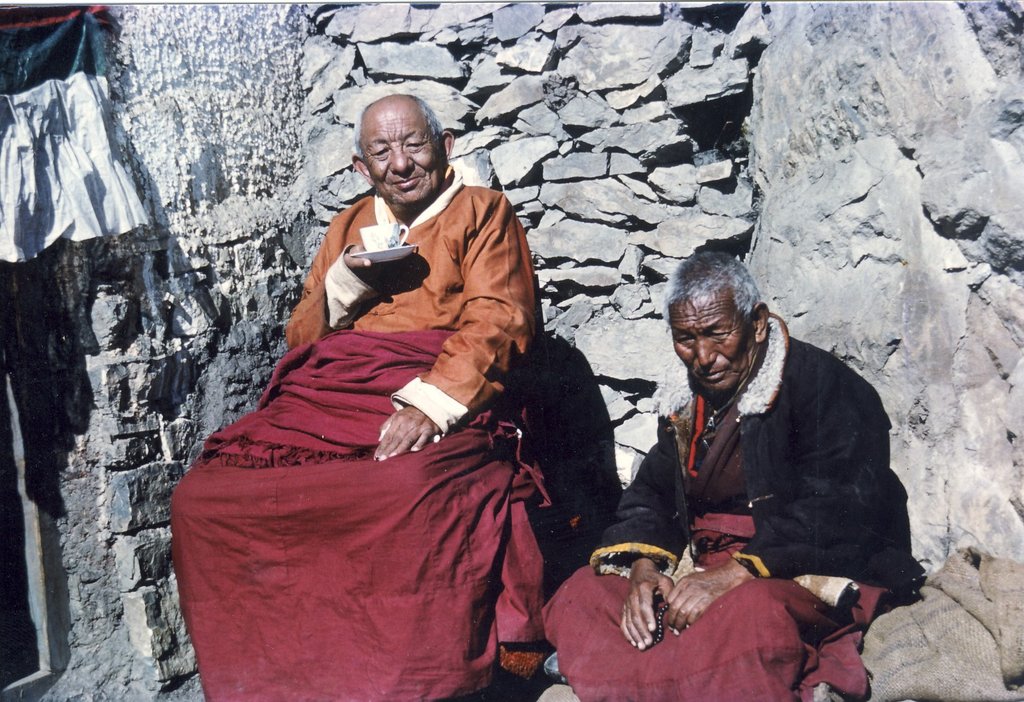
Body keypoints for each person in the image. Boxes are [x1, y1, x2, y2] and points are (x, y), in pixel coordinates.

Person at [171, 94, 545, 701]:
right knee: (203, 498)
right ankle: (278, 677)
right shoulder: (348, 226)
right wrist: (342, 285)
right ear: (360, 167)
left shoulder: (483, 212)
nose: (400, 163)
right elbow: (300, 339)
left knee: (400, 489)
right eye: (382, 151)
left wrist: (430, 403)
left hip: (431, 385)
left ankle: (403, 680)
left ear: (445, 147)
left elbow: (501, 319)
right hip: (334, 395)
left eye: (414, 145)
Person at [541, 252, 923, 701]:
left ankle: (635, 671)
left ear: (757, 323)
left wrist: (734, 574)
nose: (703, 357)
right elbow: (652, 492)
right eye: (685, 339)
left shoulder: (824, 386)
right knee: (584, 593)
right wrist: (644, 569)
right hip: (701, 562)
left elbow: (842, 505)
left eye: (717, 334)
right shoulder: (689, 399)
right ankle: (676, 671)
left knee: (751, 619)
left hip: (793, 565)